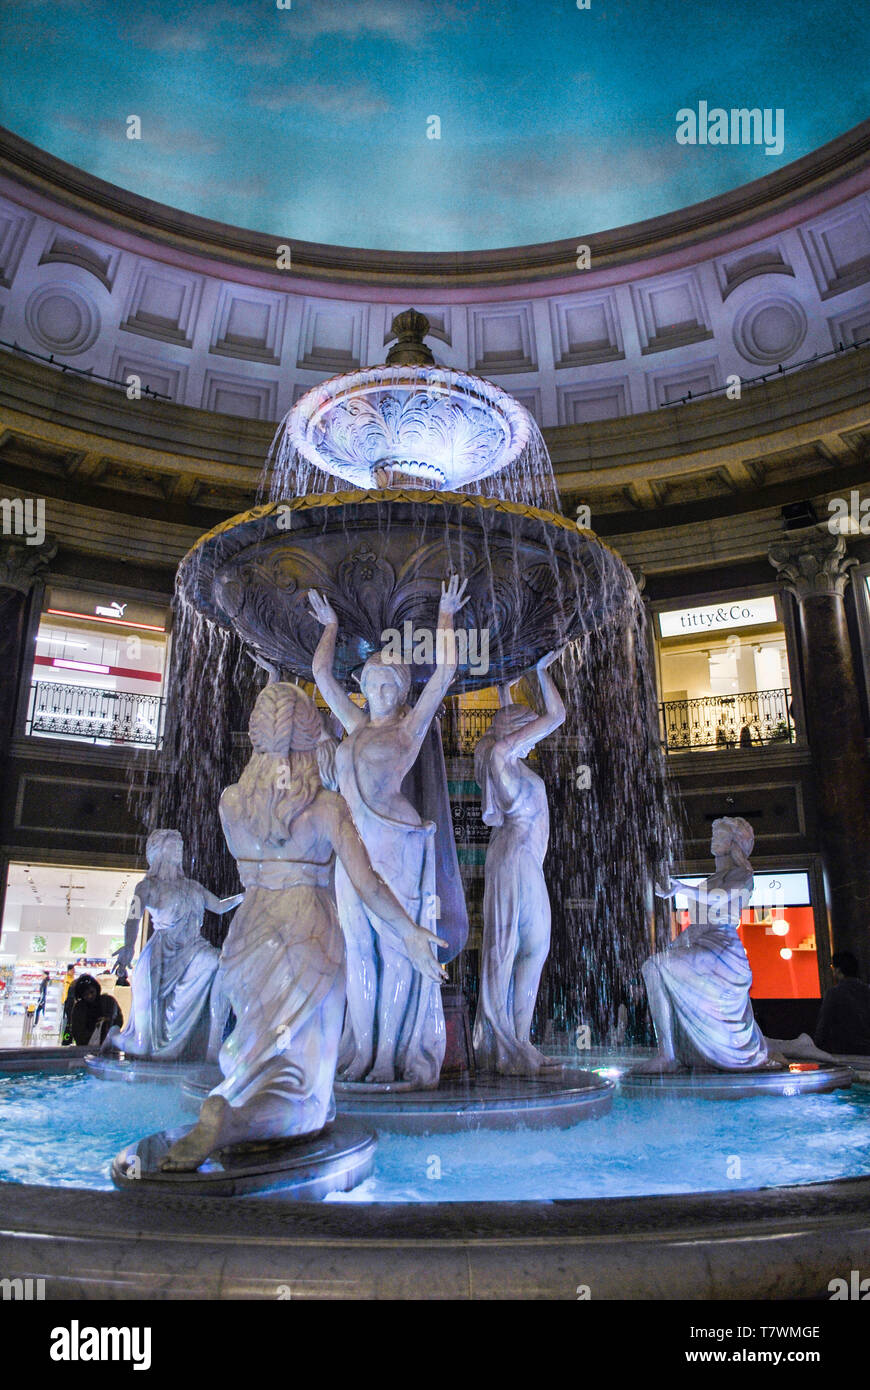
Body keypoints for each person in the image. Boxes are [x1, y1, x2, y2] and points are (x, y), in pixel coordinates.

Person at [162, 683, 446, 1172]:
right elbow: (370, 886)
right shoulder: (328, 809)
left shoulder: (232, 804)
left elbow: (249, 874)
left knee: (258, 1063)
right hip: (309, 935)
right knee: (307, 1094)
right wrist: (411, 932)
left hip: (248, 940)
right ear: (313, 735)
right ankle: (231, 1121)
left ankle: (238, 1102)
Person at [308, 575, 467, 1087]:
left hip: (393, 844)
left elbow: (444, 672)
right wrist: (330, 627)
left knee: (395, 946)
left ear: (401, 693)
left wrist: (445, 614)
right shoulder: (354, 727)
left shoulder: (407, 728)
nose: (376, 692)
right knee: (358, 948)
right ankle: (361, 1052)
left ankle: (388, 1058)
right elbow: (320, 674)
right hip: (352, 845)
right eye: (371, 684)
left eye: (387, 686)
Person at [472, 652, 565, 1075]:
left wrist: (504, 689)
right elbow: (557, 714)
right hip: (514, 859)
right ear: (516, 733)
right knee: (508, 947)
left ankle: (518, 1041)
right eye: (527, 727)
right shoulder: (501, 762)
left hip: (526, 862)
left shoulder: (513, 764)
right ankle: (506, 1044)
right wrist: (540, 670)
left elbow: (522, 726)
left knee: (532, 947)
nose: (535, 734)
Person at [635, 816, 770, 1072]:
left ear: (732, 843)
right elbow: (698, 925)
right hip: (702, 946)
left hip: (723, 953)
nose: (712, 839)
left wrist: (682, 890)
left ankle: (668, 1056)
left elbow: (720, 899)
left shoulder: (743, 875)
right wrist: (674, 947)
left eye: (718, 835)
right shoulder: (707, 882)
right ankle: (668, 1053)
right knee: (653, 967)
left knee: (655, 966)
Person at [102, 829, 241, 1064]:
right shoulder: (146, 887)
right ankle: (114, 1036)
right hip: (160, 957)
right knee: (142, 1047)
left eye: (180, 845)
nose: (179, 850)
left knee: (222, 963)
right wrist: (128, 946)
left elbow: (218, 906)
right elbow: (133, 917)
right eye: (173, 845)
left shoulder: (193, 887)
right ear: (158, 851)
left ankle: (213, 1046)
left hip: (194, 949)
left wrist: (246, 897)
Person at [814, 951, 870, 1056]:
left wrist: (815, 1048)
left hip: (845, 1049)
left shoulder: (834, 993)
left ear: (838, 970)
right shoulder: (867, 990)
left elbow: (824, 1024)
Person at [65, 975, 123, 1047]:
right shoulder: (79, 1008)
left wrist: (107, 1022)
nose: (90, 996)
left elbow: (118, 1021)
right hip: (86, 1047)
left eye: (92, 992)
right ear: (81, 996)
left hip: (108, 1046)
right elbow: (77, 1031)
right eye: (86, 994)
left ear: (97, 989)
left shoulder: (108, 1001)